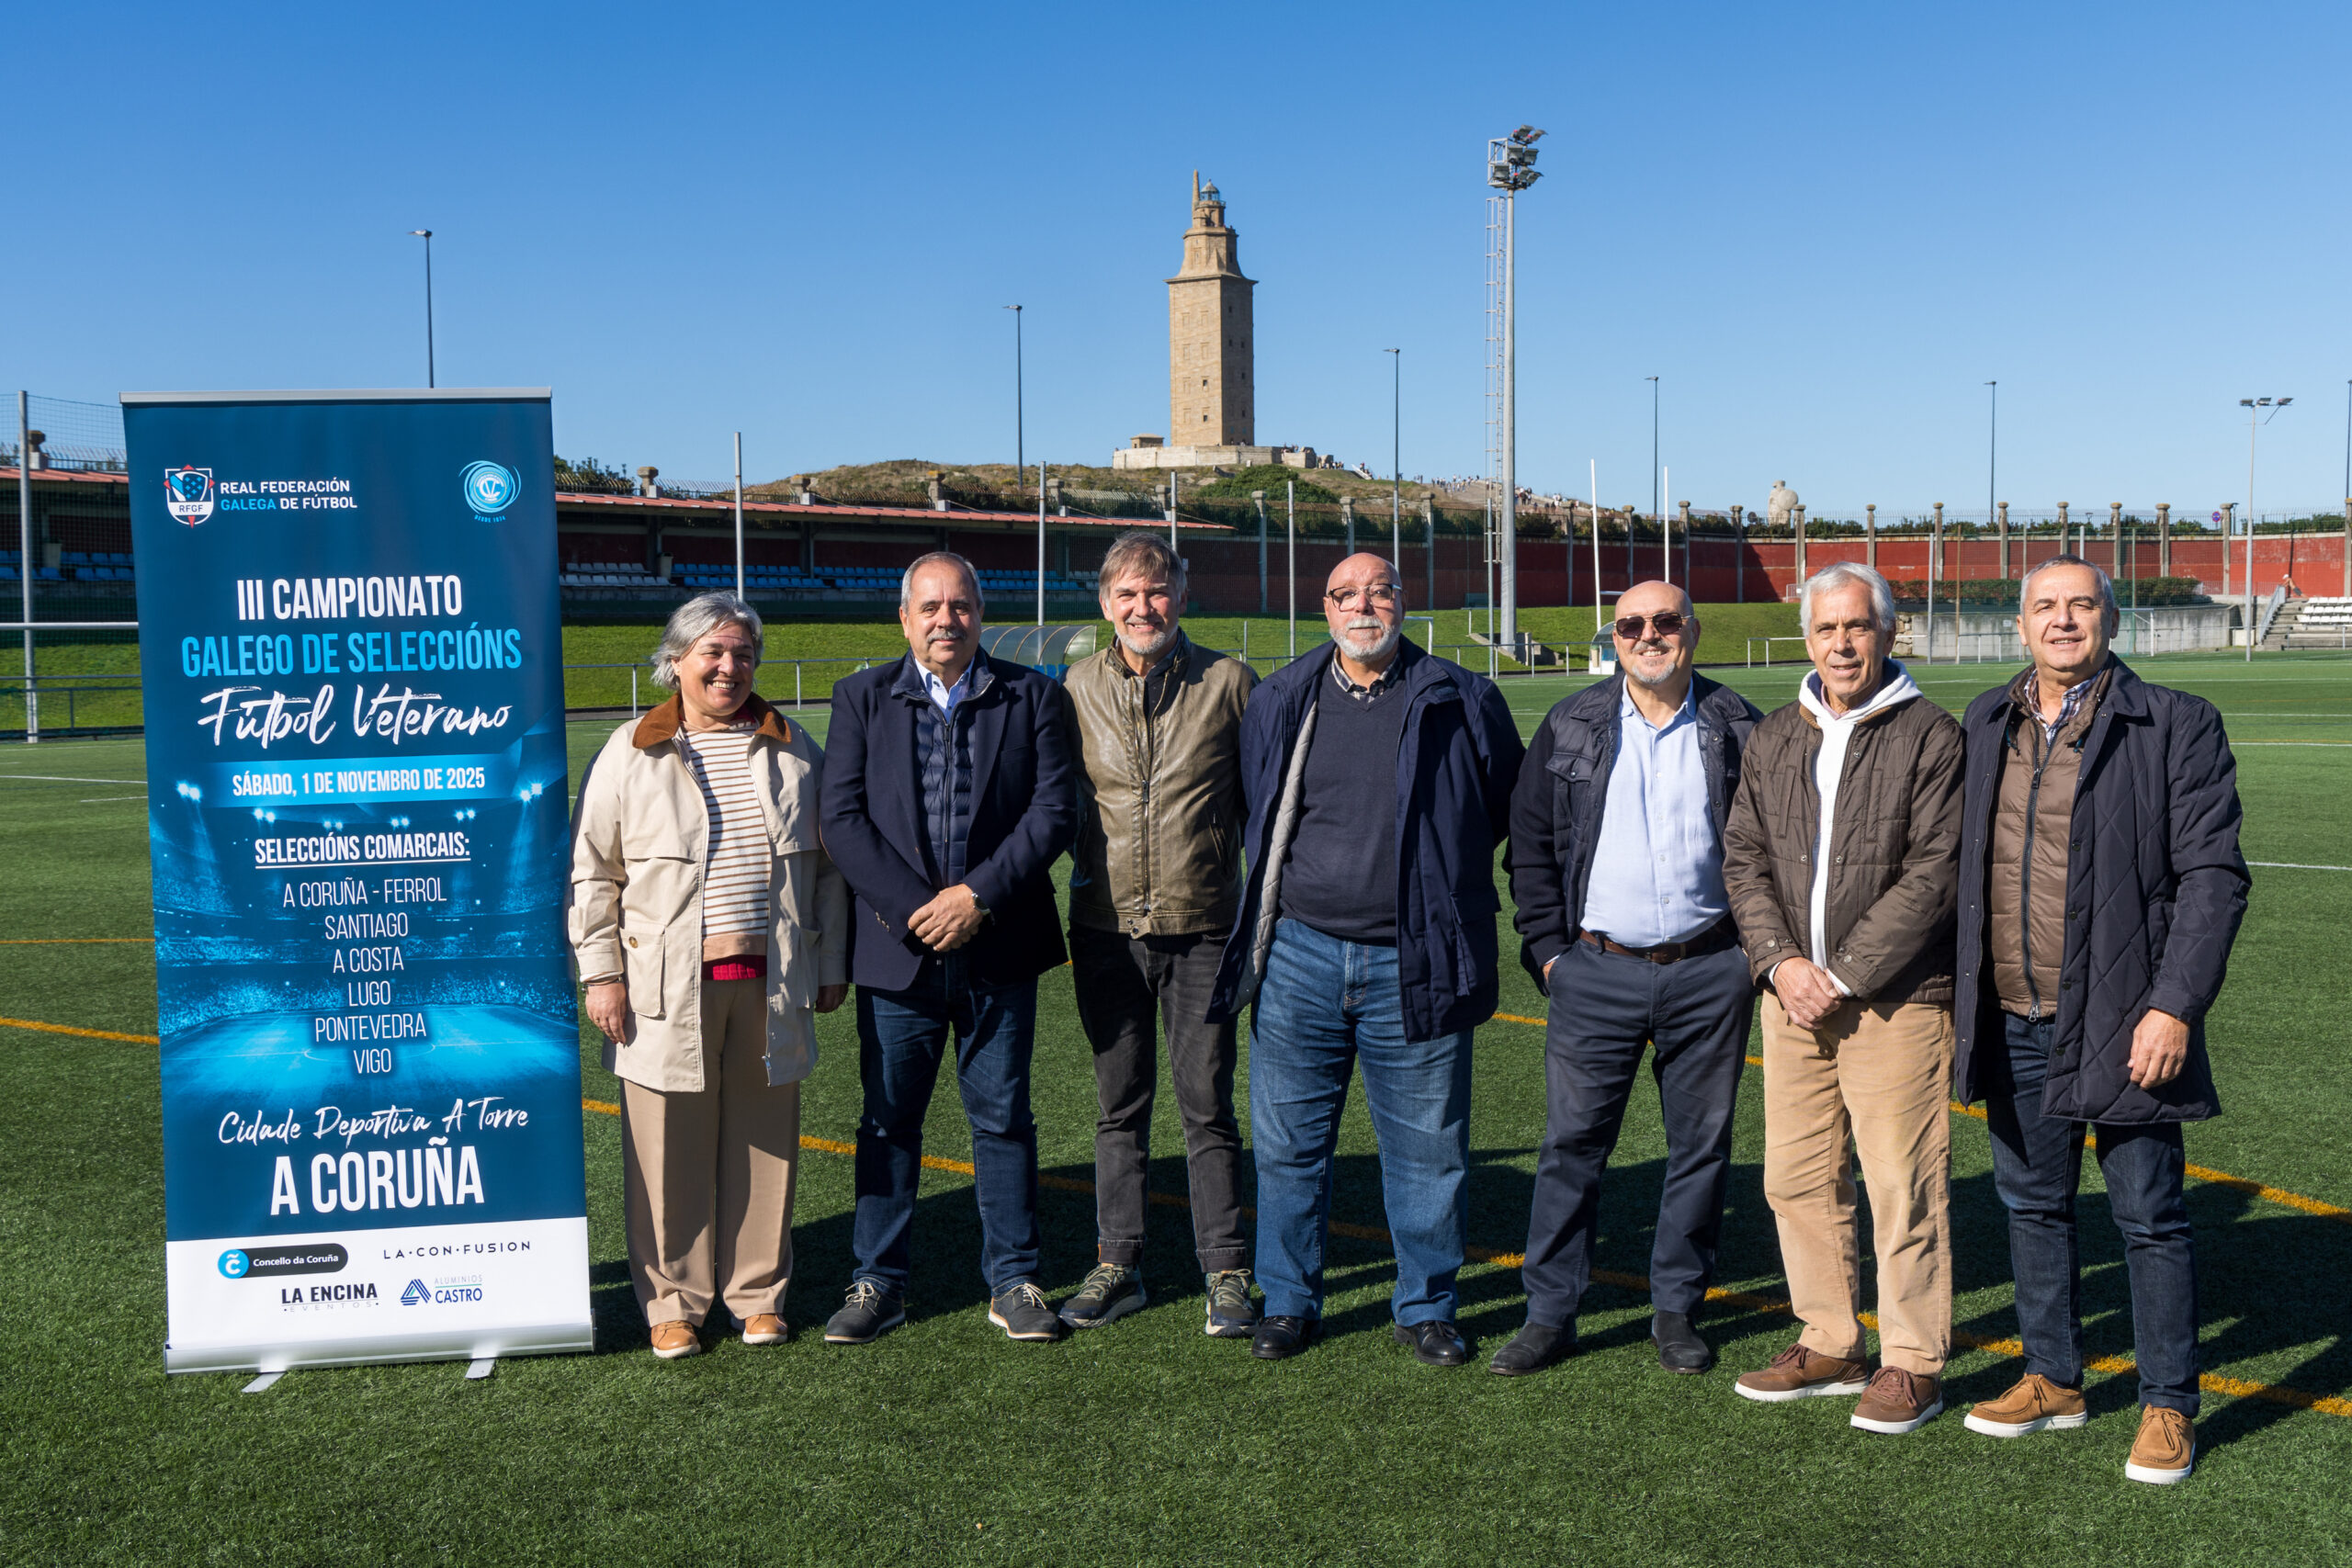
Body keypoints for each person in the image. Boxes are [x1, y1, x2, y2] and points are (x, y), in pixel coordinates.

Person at [1952, 556, 2247, 1484]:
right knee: (2032, 1206)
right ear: (2021, 624)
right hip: (2012, 1013)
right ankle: (2052, 1376)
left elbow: (2213, 878)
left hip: (2125, 1018)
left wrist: (2173, 1006)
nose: (2063, 619)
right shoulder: (1986, 719)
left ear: (2112, 621)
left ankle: (2167, 1403)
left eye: (2082, 604)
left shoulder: (2175, 721)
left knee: (2149, 1217)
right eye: (2045, 605)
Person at [1206, 553, 1522, 1364]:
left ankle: (1427, 1305)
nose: (1363, 606)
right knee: (1288, 1145)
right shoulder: (1284, 695)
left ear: (1403, 601)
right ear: (1325, 608)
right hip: (1299, 955)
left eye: (1379, 590)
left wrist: (1432, 888)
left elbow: (1499, 810)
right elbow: (1256, 802)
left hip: (1417, 957)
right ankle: (1289, 1299)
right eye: (1346, 594)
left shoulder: (1462, 695)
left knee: (1428, 1150)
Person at [569, 592, 849, 1359]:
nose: (730, 668)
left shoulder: (794, 747)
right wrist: (602, 974)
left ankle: (757, 1297)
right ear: (677, 662)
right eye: (713, 653)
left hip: (772, 981)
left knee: (766, 1147)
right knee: (667, 1153)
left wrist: (830, 963)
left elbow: (828, 871)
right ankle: (673, 1304)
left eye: (743, 654)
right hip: (662, 988)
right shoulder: (630, 750)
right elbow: (593, 873)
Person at [1493, 581, 1761, 1379]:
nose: (1650, 634)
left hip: (1709, 970)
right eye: (1631, 624)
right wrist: (1550, 952)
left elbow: (1776, 847)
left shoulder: (1739, 724)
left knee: (1700, 1148)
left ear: (1693, 632)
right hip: (1596, 969)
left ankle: (1677, 1308)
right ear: (1613, 639)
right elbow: (1528, 843)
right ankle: (1550, 1312)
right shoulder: (1570, 721)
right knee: (1572, 1145)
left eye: (1666, 621)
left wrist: (1748, 955)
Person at [1720, 562, 1963, 1434]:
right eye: (1826, 628)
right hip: (1792, 999)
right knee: (1795, 1178)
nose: (1842, 643)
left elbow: (1936, 871)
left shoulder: (1932, 735)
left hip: (1895, 1000)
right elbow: (1743, 857)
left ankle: (1913, 1360)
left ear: (1888, 632)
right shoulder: (1774, 734)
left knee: (1902, 1182)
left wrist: (1845, 972)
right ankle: (1829, 1338)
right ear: (1807, 638)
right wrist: (1782, 963)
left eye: (1858, 626)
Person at [817, 551, 1080, 1345]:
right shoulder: (861, 697)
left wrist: (977, 897)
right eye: (929, 607)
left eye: (960, 605)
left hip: (999, 945)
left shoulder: (1034, 695)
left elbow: (1053, 811)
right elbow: (842, 820)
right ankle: (879, 1281)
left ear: (980, 613)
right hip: (898, 954)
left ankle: (1014, 1279)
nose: (945, 619)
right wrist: (917, 911)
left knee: (1003, 1119)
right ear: (904, 618)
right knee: (888, 1120)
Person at [1060, 532, 1260, 1336]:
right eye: (1127, 593)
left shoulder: (1228, 681)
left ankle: (1227, 1268)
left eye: (1157, 590)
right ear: (1105, 603)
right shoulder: (1075, 686)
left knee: (1207, 1105)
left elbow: (1261, 798)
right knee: (1120, 1105)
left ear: (1181, 593)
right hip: (1105, 927)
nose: (1143, 607)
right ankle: (1119, 1261)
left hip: (1203, 925)